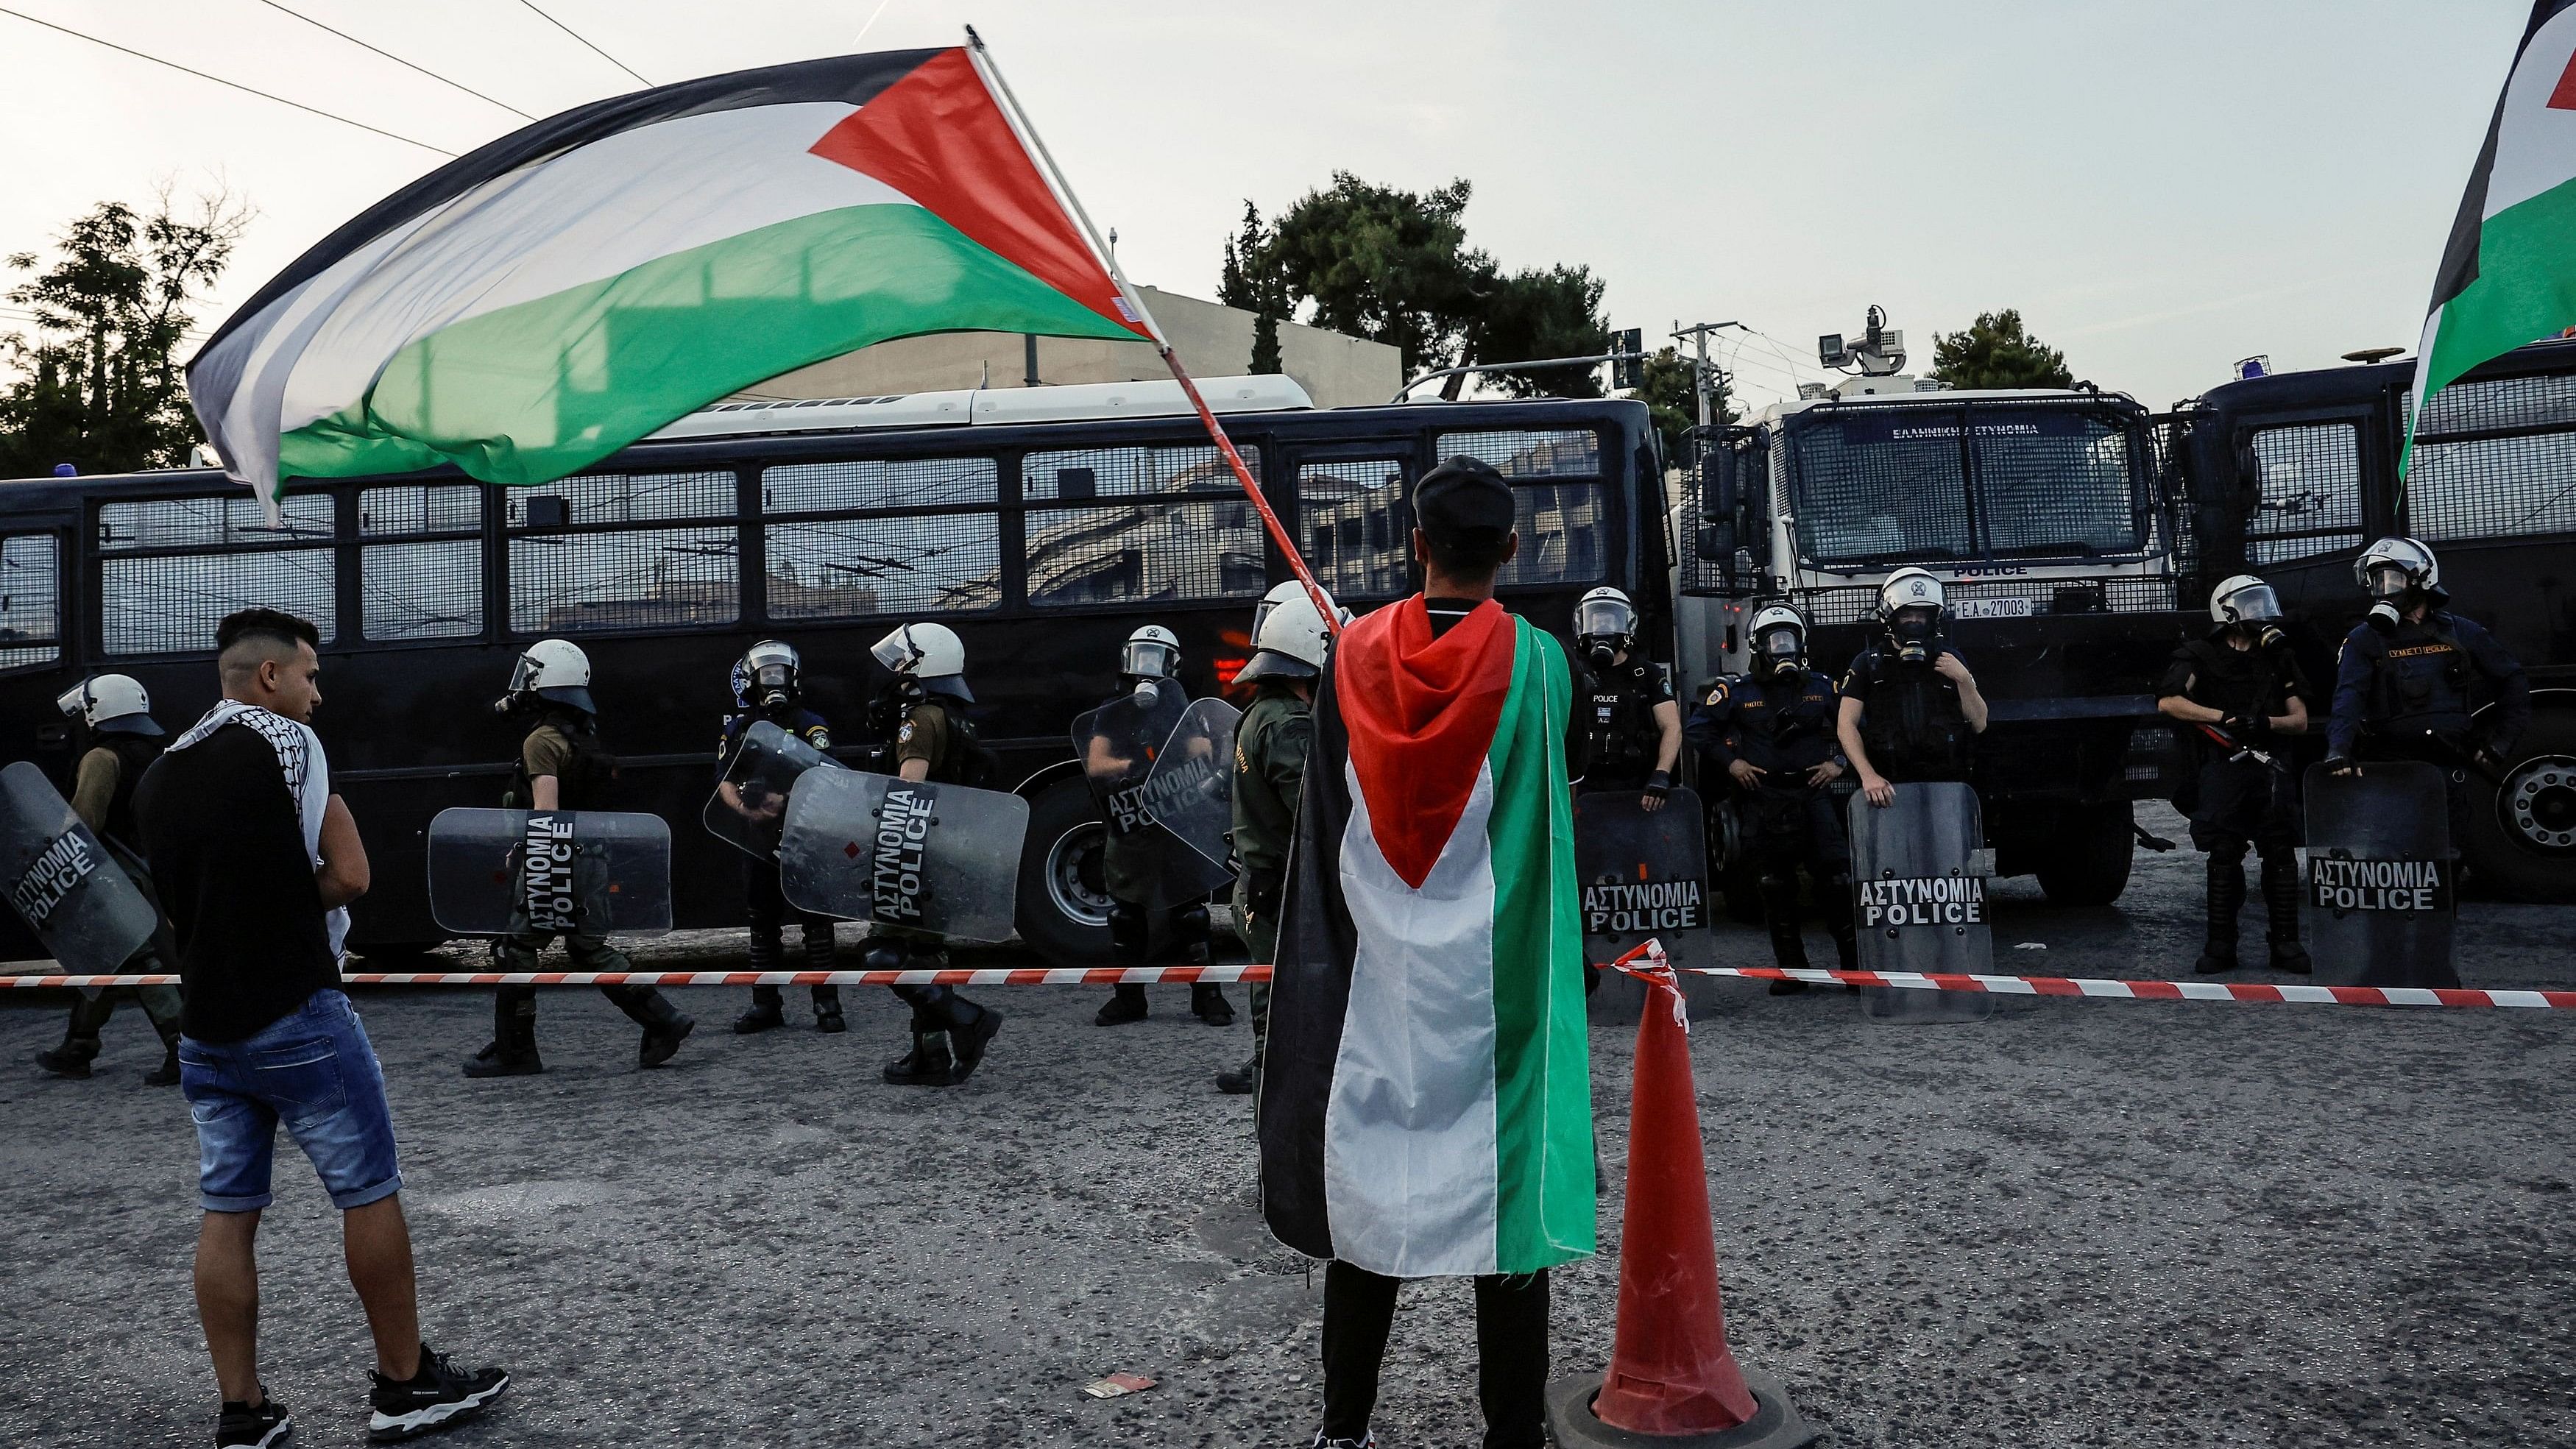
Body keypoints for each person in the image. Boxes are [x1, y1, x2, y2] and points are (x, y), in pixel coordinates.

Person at [1260, 456, 1590, 1449]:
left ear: (1416, 547)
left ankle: (1344, 1429)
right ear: (1512, 550)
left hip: (1376, 985)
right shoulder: (1540, 665)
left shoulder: (1351, 658)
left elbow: (1323, 818)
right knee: (1504, 1211)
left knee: (1371, 1194)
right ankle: (1512, 1434)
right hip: (1497, 990)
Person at [135, 608, 506, 1448]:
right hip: (297, 1009)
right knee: (368, 1188)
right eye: (309, 674)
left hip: (205, 1028)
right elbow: (345, 874)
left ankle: (243, 1411)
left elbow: (192, 899)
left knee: (227, 1209)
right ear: (268, 677)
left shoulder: (159, 770)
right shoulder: (284, 742)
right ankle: (405, 1386)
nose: (318, 692)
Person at [463, 640, 693, 1077]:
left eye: (530, 676)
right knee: (590, 948)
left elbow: (547, 813)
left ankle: (515, 1051)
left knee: (517, 951)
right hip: (592, 859)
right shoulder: (584, 736)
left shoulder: (541, 741)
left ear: (545, 682)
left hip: (554, 859)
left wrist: (529, 857)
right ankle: (664, 1020)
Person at [1688, 603, 1859, 994]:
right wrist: (1732, 764)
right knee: (1774, 884)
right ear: (1758, 646)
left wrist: (1839, 762)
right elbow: (1699, 731)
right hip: (1764, 797)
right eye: (1775, 641)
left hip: (1813, 792)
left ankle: (1855, 971)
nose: (1784, 649)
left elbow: (1859, 724)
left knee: (1836, 880)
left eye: (1790, 640)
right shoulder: (1736, 690)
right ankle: (1793, 971)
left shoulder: (1821, 686)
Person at [2326, 536, 2530, 864]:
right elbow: (2348, 698)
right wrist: (2339, 748)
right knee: (2392, 864)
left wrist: (2500, 744)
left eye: (2393, 579)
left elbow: (2512, 681)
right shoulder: (2364, 640)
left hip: (2449, 770)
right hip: (2391, 770)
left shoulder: (2463, 633)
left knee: (2447, 864)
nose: (2384, 589)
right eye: (2377, 581)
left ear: (2422, 579)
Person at [863, 622, 1004, 1086]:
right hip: (946, 854)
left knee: (885, 953)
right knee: (925, 959)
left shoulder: (920, 718)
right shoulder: (956, 716)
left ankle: (968, 1019)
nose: (899, 672)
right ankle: (932, 1057)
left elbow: (910, 790)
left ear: (926, 664)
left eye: (905, 662)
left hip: (913, 853)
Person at [33, 673, 186, 1084]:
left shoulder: (102, 758)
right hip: (151, 869)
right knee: (106, 958)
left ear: (97, 713)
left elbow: (84, 825)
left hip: (117, 877)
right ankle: (78, 1046)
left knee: (138, 958)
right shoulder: (157, 754)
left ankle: (181, 1047)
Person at [2158, 575, 2315, 974]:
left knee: (2280, 854)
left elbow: (2299, 721)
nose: (2261, 613)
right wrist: (2223, 718)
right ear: (2227, 611)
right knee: (2224, 854)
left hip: (2271, 768)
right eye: (2251, 605)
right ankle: (2220, 945)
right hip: (2224, 767)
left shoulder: (2280, 657)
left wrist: (2263, 724)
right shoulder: (2199, 655)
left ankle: (2286, 945)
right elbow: (2170, 703)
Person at [1214, 581, 1334, 1096]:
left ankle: (1273, 1067)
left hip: (1258, 877)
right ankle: (1271, 1073)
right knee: (1278, 980)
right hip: (1279, 881)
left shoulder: (1258, 712)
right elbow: (1313, 809)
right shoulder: (1288, 725)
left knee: (1271, 975)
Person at [1088, 624, 1234, 1030]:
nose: (1146, 668)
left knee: (1190, 913)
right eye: (1141, 655)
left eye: (1156, 657)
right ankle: (1128, 998)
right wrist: (1136, 766)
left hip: (1175, 819)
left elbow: (1202, 754)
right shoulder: (1112, 710)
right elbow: (1097, 763)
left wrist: (1177, 745)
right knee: (1126, 915)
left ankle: (1209, 997)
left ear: (1173, 664)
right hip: (1130, 818)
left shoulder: (1183, 710)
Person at [717, 640, 844, 1035]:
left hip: (804, 832)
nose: (773, 680)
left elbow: (825, 774)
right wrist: (747, 810)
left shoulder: (811, 723)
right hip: (755, 836)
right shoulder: (739, 726)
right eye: (765, 673)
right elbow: (724, 779)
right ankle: (765, 1004)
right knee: (761, 922)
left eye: (780, 672)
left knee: (816, 919)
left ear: (794, 678)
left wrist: (784, 800)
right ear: (752, 679)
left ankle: (827, 1004)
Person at [1837, 567, 1991, 806]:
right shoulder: (1869, 663)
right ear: (1891, 616)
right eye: (1906, 615)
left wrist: (1963, 679)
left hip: (1945, 790)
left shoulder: (1951, 660)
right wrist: (1868, 776)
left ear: (1934, 618)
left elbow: (1980, 723)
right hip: (1887, 790)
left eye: (1922, 615)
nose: (1915, 622)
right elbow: (1846, 725)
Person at [1567, 585, 1682, 808]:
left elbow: (1672, 727)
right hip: (1585, 789)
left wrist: (1661, 774)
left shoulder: (1647, 673)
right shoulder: (1572, 672)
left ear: (1627, 625)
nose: (1600, 628)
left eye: (1609, 621)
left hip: (1638, 789)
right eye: (1594, 620)